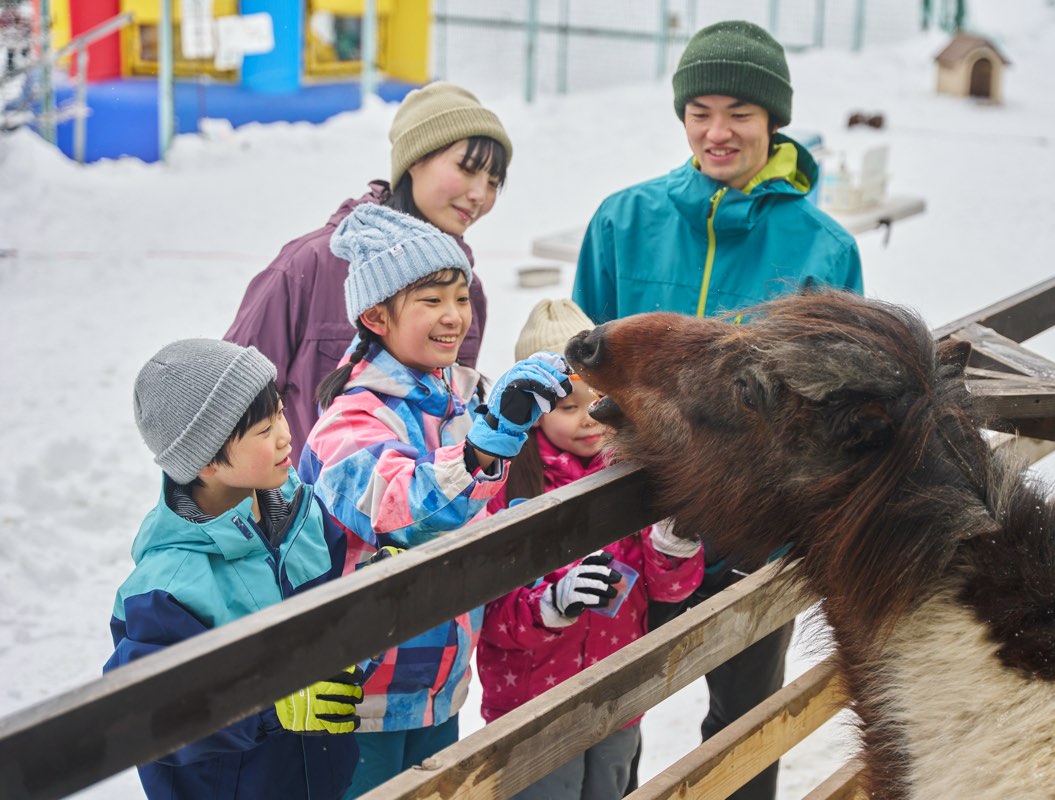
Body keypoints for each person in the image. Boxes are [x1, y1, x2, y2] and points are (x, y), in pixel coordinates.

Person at [571, 20, 865, 800]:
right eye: (699, 110)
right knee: (608, 712)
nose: (717, 131)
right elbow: (584, 367)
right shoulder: (623, 221)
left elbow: (835, 410)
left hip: (753, 534)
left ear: (773, 120)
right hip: (629, 524)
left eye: (738, 111)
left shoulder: (824, 250)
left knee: (744, 723)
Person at [298, 205, 573, 797]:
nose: (454, 317)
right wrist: (486, 442)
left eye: (462, 297)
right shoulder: (349, 421)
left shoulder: (454, 400)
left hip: (439, 681)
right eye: (431, 301)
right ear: (376, 315)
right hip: (363, 695)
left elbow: (481, 513)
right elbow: (407, 511)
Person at [105, 338, 364, 800]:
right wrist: (268, 708)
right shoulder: (168, 587)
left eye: (281, 413)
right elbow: (145, 715)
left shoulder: (304, 518)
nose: (286, 434)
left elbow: (332, 631)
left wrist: (377, 596)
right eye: (264, 431)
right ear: (205, 461)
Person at [476, 299, 705, 799]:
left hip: (616, 694)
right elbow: (489, 616)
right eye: (566, 405)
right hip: (534, 705)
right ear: (533, 407)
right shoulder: (506, 486)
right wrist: (553, 605)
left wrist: (674, 541)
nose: (588, 419)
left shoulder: (630, 470)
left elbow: (666, 589)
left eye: (596, 400)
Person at [226, 81, 513, 445]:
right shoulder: (313, 264)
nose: (479, 195)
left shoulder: (468, 293)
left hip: (421, 499)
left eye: (493, 182)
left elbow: (453, 420)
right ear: (414, 160)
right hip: (307, 500)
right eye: (467, 169)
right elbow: (230, 404)